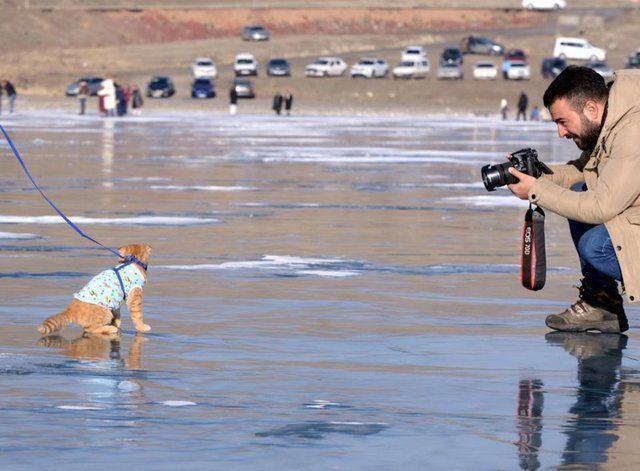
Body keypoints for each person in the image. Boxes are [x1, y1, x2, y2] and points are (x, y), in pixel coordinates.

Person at [507, 66, 640, 333]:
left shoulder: (632, 130)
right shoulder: (609, 118)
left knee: (597, 246)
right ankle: (602, 305)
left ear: (590, 109)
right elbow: (584, 170)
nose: (560, 133)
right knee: (580, 189)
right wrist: (537, 175)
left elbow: (601, 207)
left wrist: (537, 191)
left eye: (562, 122)